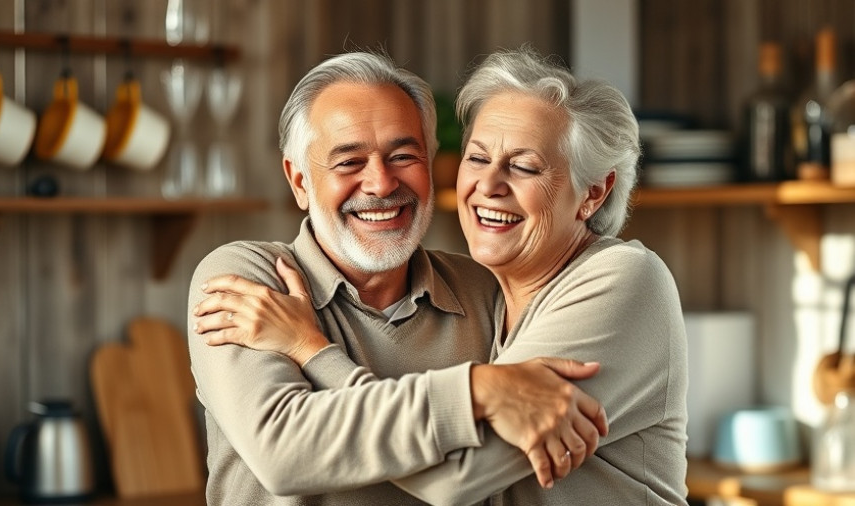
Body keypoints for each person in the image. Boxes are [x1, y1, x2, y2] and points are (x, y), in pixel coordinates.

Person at [195, 46, 689, 505]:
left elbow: (456, 476)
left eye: (524, 166)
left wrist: (312, 352)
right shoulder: (252, 283)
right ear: (299, 180)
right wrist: (482, 390)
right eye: (478, 158)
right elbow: (285, 452)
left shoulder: (503, 291)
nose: (381, 182)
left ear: (593, 194)